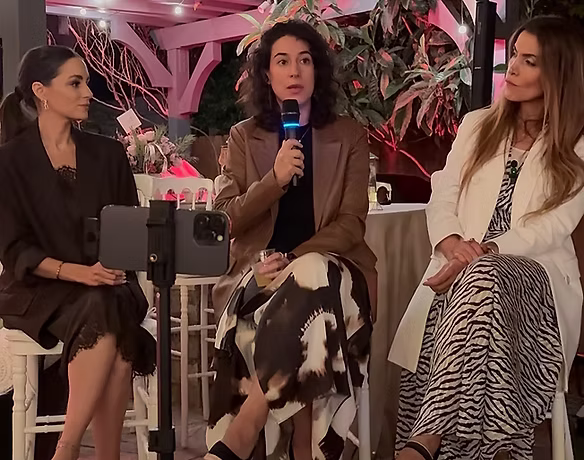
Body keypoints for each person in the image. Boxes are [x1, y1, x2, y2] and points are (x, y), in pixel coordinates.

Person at [389, 16, 584, 460]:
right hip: (461, 271)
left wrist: (484, 253)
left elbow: (554, 225)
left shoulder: (576, 143)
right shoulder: (477, 125)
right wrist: (451, 243)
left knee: (486, 275)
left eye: (529, 60)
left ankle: (426, 440)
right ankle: (494, 450)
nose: (511, 67)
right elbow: (443, 194)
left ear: (558, 75)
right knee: (476, 288)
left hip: (535, 288)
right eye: (514, 54)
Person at [206, 19, 377, 460]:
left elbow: (351, 224)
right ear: (267, 74)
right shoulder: (244, 137)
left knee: (313, 274)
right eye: (282, 61)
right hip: (260, 277)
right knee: (312, 318)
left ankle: (250, 421)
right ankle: (307, 447)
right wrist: (274, 180)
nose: (295, 71)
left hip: (336, 276)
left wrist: (294, 259)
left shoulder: (349, 136)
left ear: (317, 71)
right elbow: (225, 218)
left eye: (305, 60)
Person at [0, 45, 156, 460]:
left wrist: (112, 268)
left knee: (106, 303)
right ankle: (84, 451)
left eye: (86, 81)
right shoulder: (9, 162)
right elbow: (14, 250)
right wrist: (77, 272)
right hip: (39, 288)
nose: (88, 92)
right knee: (111, 319)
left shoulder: (109, 154)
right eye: (75, 83)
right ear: (41, 91)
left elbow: (129, 228)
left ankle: (67, 450)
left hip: (108, 282)